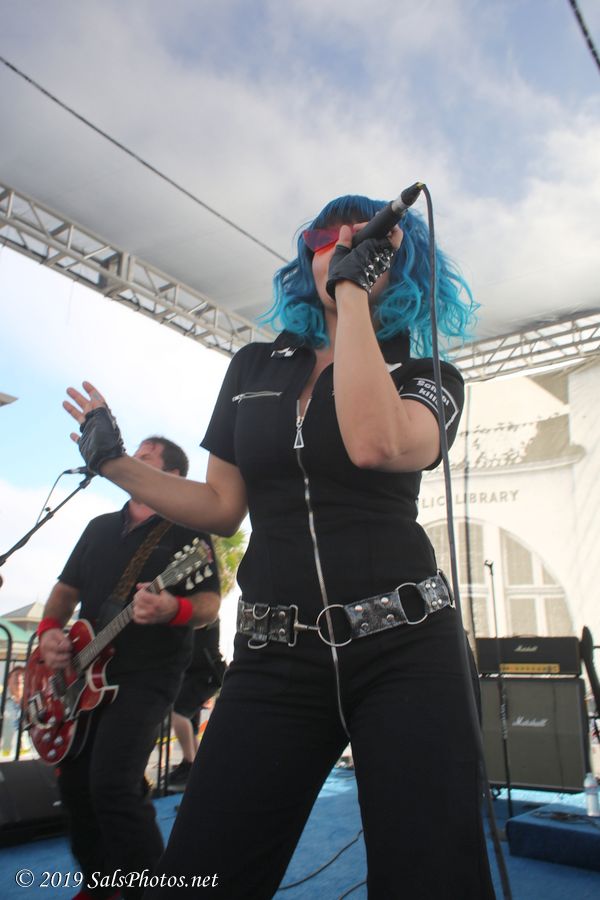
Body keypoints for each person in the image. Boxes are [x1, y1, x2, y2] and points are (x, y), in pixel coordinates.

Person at [63, 194, 495, 899]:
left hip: (406, 648)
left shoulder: (427, 375)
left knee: (430, 877)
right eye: (326, 237)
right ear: (305, 255)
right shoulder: (255, 367)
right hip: (275, 654)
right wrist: (115, 464)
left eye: (366, 238)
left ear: (398, 261)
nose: (342, 247)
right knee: (200, 876)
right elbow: (220, 507)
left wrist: (351, 299)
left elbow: (376, 443)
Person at [37, 436, 220, 900]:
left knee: (112, 785)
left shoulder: (189, 532)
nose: (130, 463)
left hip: (147, 675)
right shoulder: (99, 527)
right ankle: (100, 884)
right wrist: (49, 632)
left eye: (144, 458)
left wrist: (172, 609)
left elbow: (209, 605)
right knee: (75, 788)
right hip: (82, 677)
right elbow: (65, 591)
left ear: (172, 477)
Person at [167, 618, 226, 789]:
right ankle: (194, 766)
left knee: (178, 713)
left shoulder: (206, 613)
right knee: (188, 719)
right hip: (192, 673)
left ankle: (190, 764)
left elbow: (197, 621)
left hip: (207, 672)